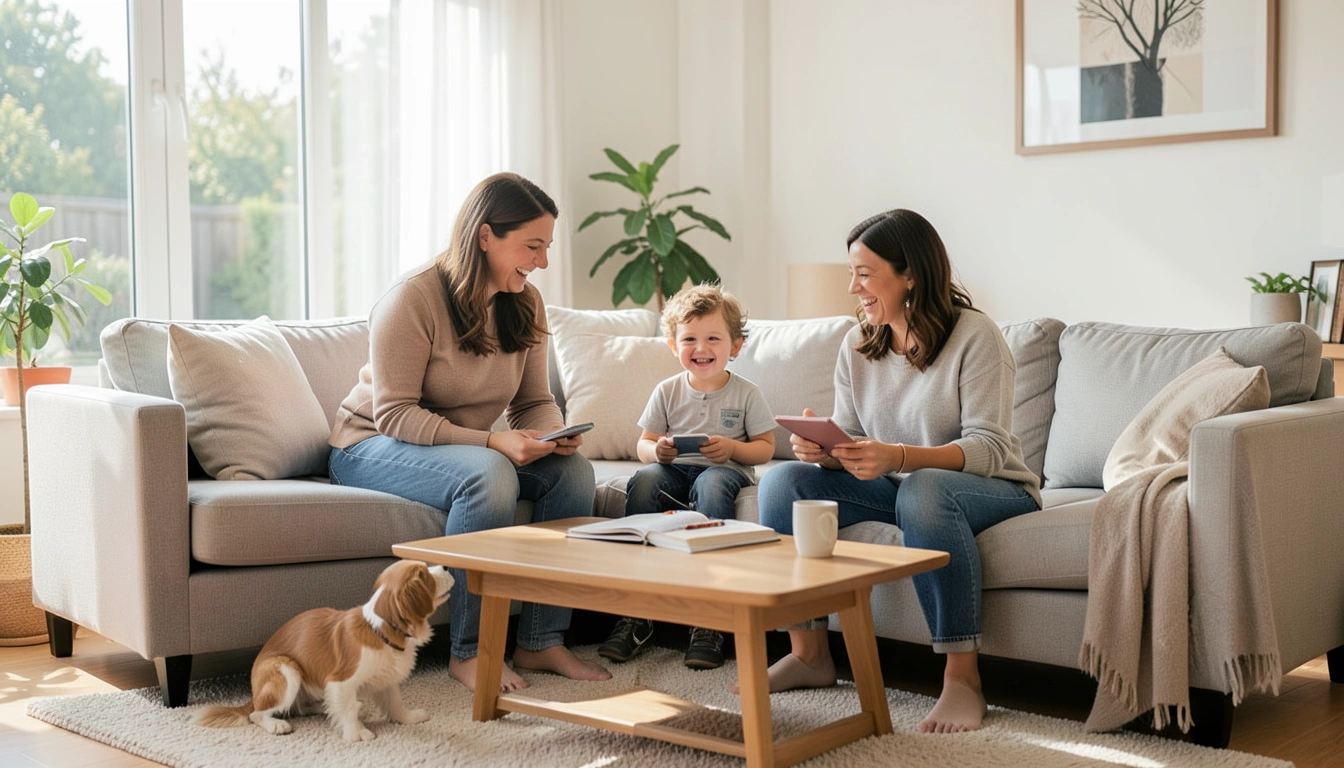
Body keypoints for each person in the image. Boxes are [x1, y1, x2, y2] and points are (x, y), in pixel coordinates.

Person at [752, 208, 1041, 734]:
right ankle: (810, 651)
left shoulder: (976, 337)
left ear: (911, 274)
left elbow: (989, 447)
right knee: (783, 481)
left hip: (991, 488)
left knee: (924, 491)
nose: (853, 288)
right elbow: (855, 433)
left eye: (865, 274)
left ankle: (962, 679)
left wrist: (899, 457)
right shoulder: (860, 343)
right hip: (901, 485)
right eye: (851, 274)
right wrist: (823, 447)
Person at [327, 172, 611, 694]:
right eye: (532, 246)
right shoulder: (412, 299)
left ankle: (540, 640)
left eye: (546, 247)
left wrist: (554, 435)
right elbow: (394, 413)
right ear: (485, 236)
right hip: (370, 444)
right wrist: (491, 442)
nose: (542, 262)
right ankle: (470, 652)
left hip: (452, 447)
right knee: (488, 474)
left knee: (571, 473)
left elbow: (533, 401)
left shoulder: (525, 301)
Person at [598, 284, 776, 670]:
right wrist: (656, 450)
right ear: (672, 346)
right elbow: (643, 443)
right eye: (689, 339)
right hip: (674, 469)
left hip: (724, 472)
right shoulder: (666, 390)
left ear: (736, 346)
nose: (701, 348)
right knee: (645, 479)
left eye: (713, 338)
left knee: (711, 484)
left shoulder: (747, 393)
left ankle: (708, 620)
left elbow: (764, 447)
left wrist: (732, 449)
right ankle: (637, 613)